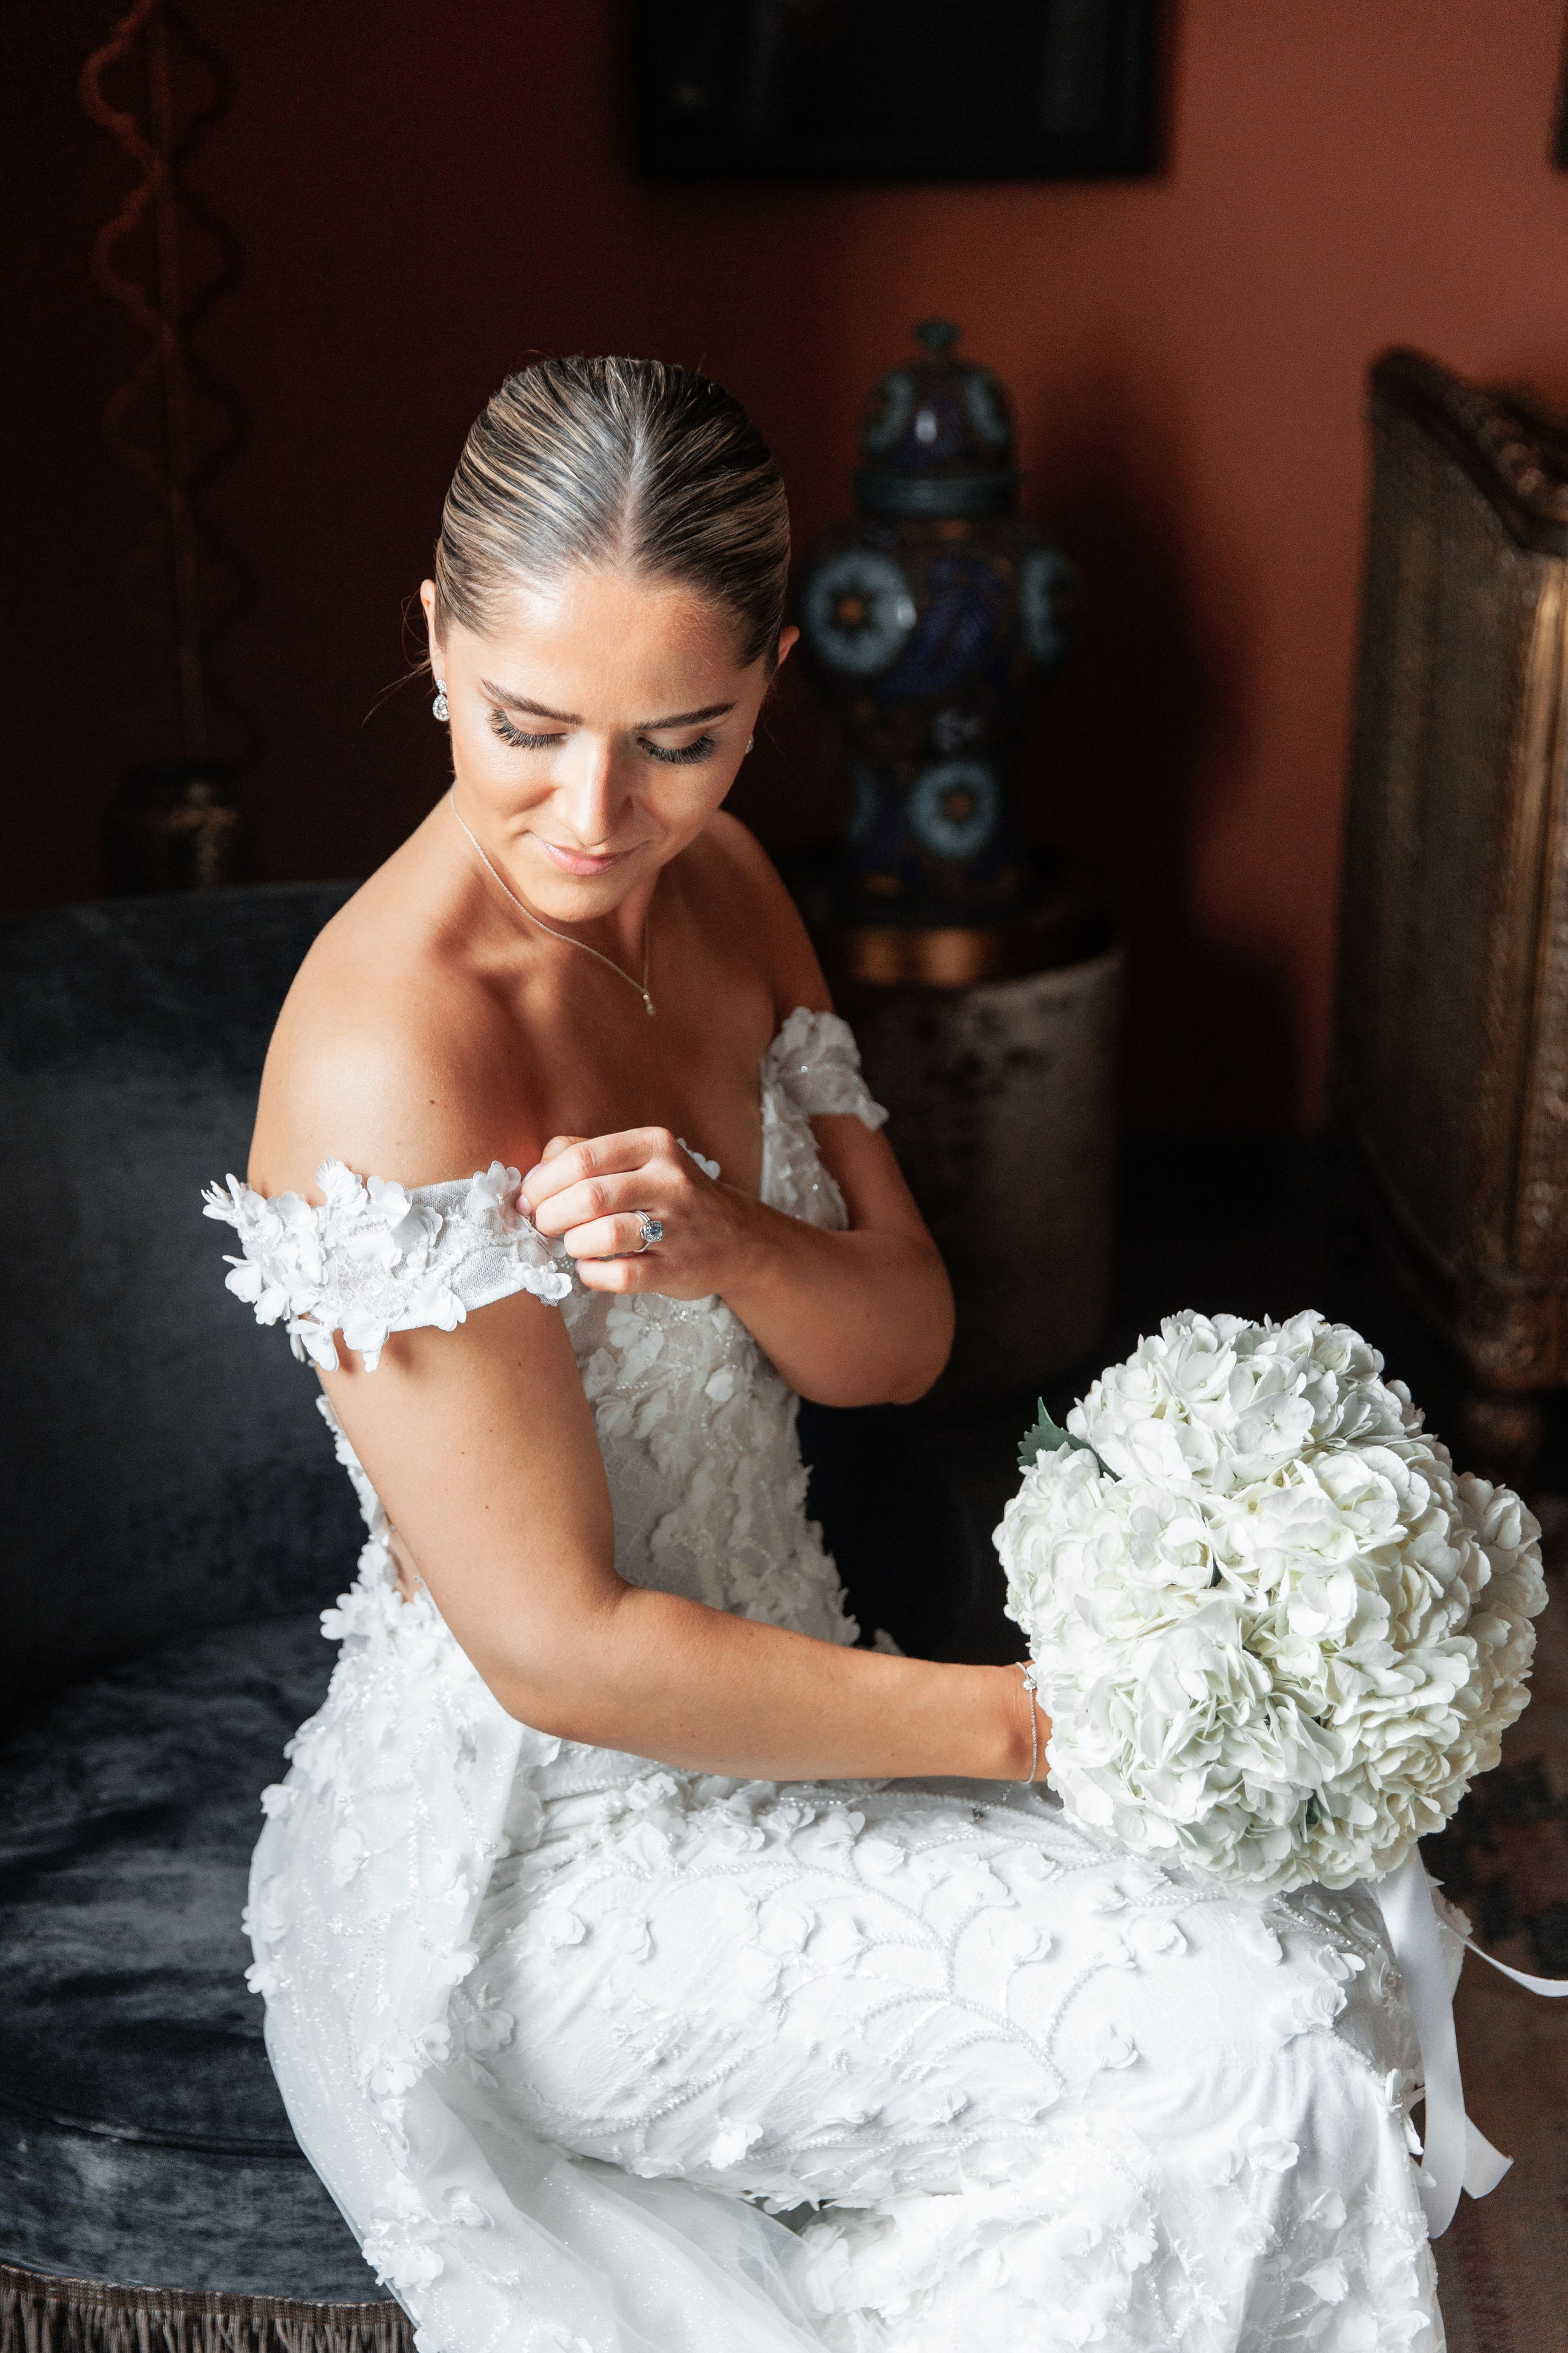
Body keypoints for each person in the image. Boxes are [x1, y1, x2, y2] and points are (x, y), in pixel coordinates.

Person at [208, 356, 1444, 2352]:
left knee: (1319, 1935)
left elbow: (901, 1342)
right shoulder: (390, 1050)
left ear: (775, 683)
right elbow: (564, 1652)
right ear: (432, 642)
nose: (599, 817)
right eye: (526, 726)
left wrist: (729, 1238)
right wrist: (1037, 1730)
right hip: (550, 1859)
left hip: (811, 1700)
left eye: (681, 740)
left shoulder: (736, 888)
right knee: (1260, 2037)